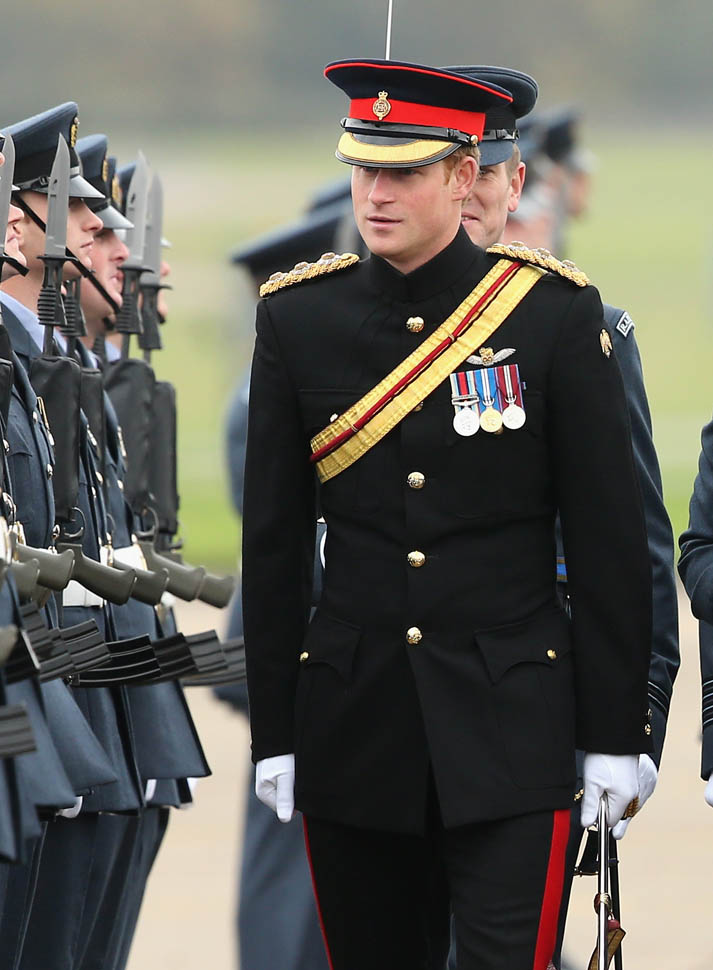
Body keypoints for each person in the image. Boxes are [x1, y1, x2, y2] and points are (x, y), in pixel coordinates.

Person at [242, 58, 653, 970]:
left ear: (465, 175)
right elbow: (272, 548)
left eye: (402, 173)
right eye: (362, 170)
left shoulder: (550, 315)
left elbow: (610, 546)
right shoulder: (299, 320)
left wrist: (613, 737)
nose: (375, 194)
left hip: (514, 727)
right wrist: (277, 733)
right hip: (355, 729)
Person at [453, 66, 679, 969]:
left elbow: (634, 544)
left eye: (483, 172)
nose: (465, 192)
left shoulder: (582, 330)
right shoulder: (341, 331)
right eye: (444, 169)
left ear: (514, 185)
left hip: (532, 709)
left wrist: (634, 722)